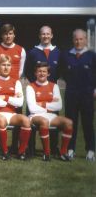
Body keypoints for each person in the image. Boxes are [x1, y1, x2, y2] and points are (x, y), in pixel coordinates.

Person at [59, 29, 96, 161]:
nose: (78, 41)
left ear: (85, 40)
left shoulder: (92, 55)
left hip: (87, 94)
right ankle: (70, 149)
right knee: (70, 123)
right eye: (76, 39)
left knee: (88, 123)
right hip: (71, 94)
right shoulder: (66, 55)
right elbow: (62, 72)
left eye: (81, 39)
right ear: (72, 40)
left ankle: (91, 150)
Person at [0, 54, 31, 160]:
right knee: (1, 120)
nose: (6, 67)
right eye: (3, 65)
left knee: (26, 120)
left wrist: (4, 97)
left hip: (11, 114)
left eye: (8, 65)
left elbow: (20, 103)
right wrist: (12, 98)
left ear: (11, 67)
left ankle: (21, 152)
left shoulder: (16, 82)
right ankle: (5, 152)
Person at [26, 62, 73, 161]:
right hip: (35, 115)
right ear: (35, 73)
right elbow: (32, 108)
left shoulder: (54, 86)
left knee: (69, 123)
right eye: (39, 71)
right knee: (44, 121)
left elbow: (59, 106)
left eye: (44, 71)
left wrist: (41, 104)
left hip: (50, 115)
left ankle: (63, 153)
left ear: (48, 74)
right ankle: (46, 153)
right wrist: (50, 104)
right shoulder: (30, 87)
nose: (42, 73)